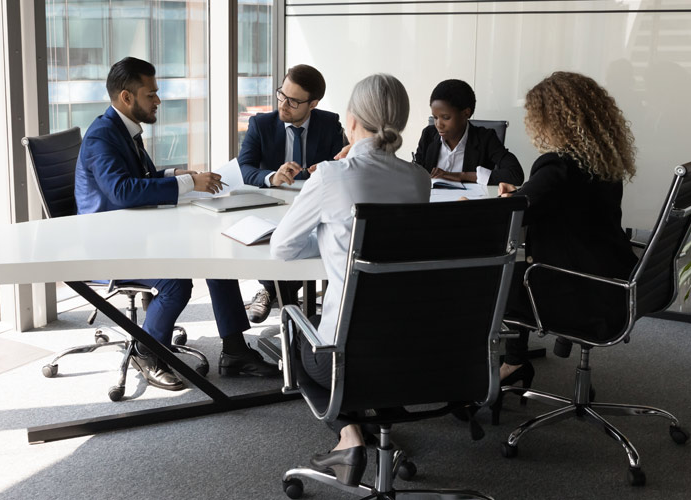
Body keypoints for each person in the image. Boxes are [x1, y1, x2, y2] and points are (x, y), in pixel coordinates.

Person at [75, 57, 279, 391]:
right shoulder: (102, 137)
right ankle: (146, 352)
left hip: (136, 231)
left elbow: (138, 178)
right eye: (151, 93)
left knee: (218, 261)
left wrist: (177, 175)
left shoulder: (124, 130)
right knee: (176, 282)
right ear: (127, 98)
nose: (158, 100)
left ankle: (235, 351)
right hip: (109, 243)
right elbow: (123, 191)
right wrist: (188, 185)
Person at [270, 73, 430, 486]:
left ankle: (348, 434)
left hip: (341, 359)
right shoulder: (418, 179)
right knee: (370, 341)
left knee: (291, 328)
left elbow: (282, 249)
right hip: (413, 352)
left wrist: (330, 234)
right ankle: (373, 424)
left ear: (352, 119)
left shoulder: (330, 176)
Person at [495, 71, 639, 407]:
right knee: (517, 275)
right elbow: (561, 202)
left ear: (550, 119)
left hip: (576, 287)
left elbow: (509, 221)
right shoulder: (602, 160)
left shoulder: (558, 166)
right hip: (614, 282)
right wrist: (522, 194)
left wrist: (505, 202)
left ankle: (489, 370)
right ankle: (513, 361)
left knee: (490, 280)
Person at [238, 64, 346, 324]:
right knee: (276, 239)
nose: (283, 105)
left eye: (293, 101)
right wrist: (271, 177)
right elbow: (244, 167)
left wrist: (329, 168)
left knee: (317, 236)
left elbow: (344, 165)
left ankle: (278, 294)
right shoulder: (261, 124)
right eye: (281, 95)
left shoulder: (330, 124)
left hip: (314, 206)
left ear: (313, 104)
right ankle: (278, 293)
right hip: (273, 204)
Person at [413, 79, 524, 186]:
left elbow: (515, 175)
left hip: (468, 203)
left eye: (446, 117)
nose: (438, 124)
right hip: (432, 203)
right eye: (435, 117)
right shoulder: (428, 135)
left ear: (466, 113)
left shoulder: (485, 138)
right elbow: (414, 175)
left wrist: (462, 176)